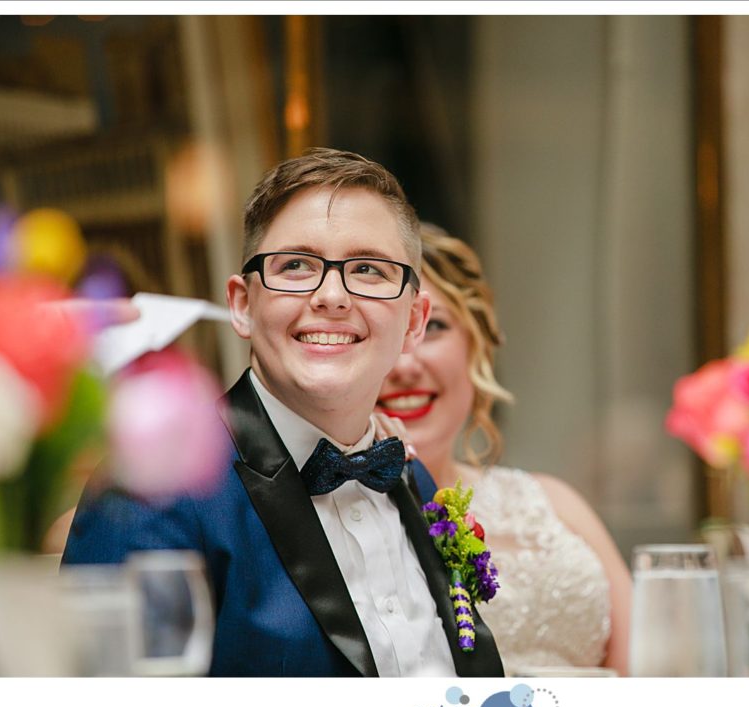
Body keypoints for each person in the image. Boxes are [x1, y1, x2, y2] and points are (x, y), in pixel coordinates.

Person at [62, 148, 504, 678]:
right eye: (296, 266)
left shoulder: (415, 481)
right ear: (243, 305)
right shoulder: (154, 488)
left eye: (368, 269)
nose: (332, 295)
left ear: (414, 320)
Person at [376, 224, 632, 675]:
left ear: (477, 341)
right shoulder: (333, 524)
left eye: (431, 326)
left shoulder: (553, 502)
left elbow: (651, 669)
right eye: (381, 334)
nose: (406, 365)